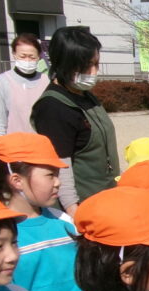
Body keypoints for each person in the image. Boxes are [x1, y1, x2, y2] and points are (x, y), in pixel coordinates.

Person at [0, 133, 81, 291]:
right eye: (50, 175)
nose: (58, 182)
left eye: (57, 174)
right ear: (17, 180)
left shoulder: (65, 222)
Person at [31, 26, 120, 214]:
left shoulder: (84, 94)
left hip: (104, 197)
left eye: (96, 64)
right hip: (82, 205)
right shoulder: (53, 107)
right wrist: (74, 213)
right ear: (65, 64)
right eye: (87, 65)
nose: (94, 71)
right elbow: (61, 166)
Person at [0, 34, 48, 137]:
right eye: (23, 56)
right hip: (14, 142)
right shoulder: (3, 81)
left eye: (32, 57)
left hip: (41, 142)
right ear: (14, 54)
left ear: (39, 56)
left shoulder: (46, 81)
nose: (27, 60)